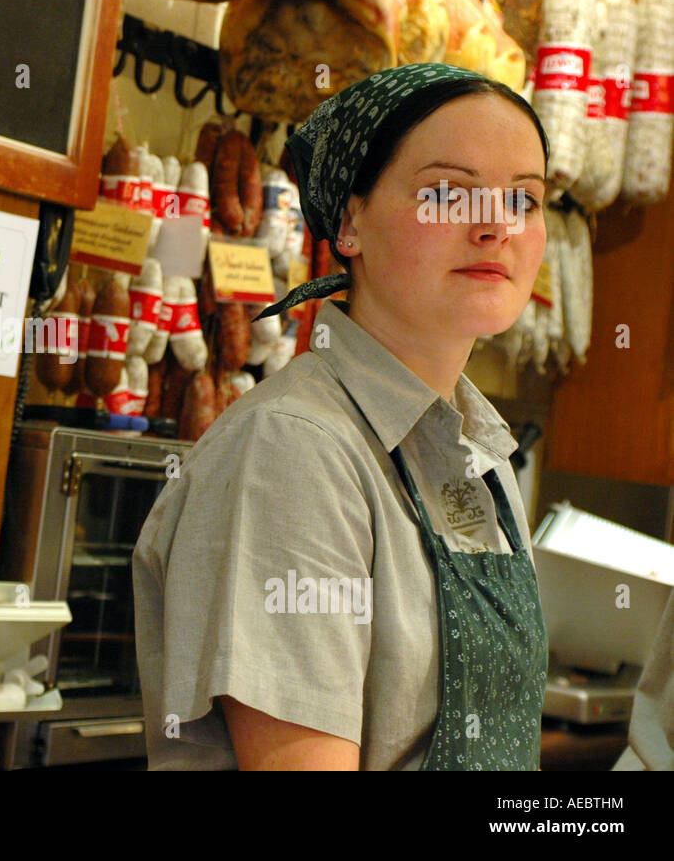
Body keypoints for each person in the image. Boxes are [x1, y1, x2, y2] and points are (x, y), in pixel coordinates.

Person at [132, 63, 551, 770]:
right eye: (448, 193)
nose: (496, 227)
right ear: (350, 222)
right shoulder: (295, 450)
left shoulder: (479, 451)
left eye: (524, 199)